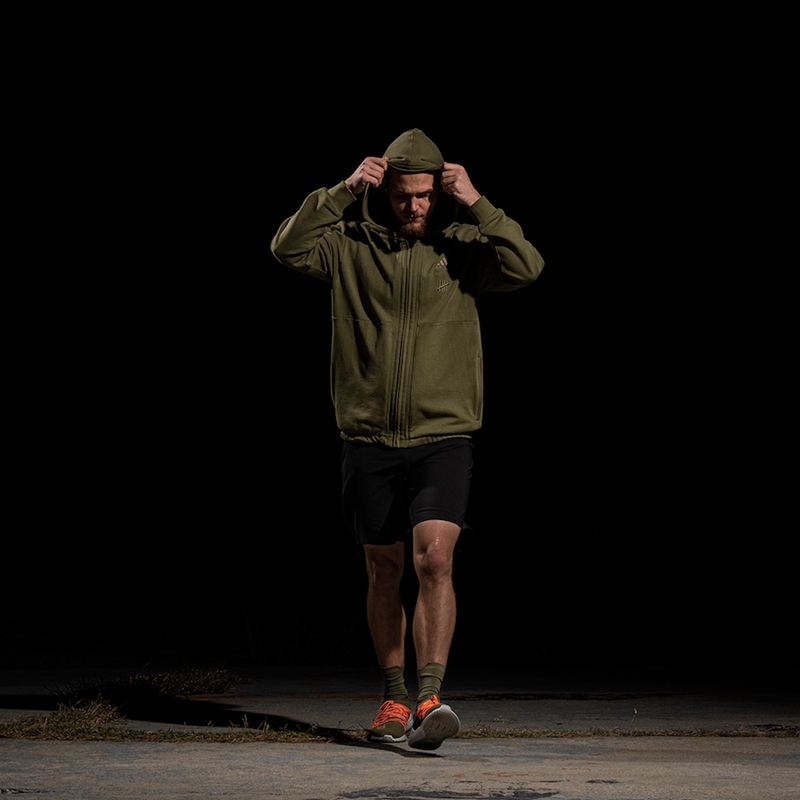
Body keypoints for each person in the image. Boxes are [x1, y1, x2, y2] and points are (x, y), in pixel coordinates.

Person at [270, 129, 544, 749]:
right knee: (384, 568)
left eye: (424, 195)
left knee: (436, 559)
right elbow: (287, 247)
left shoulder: (464, 247)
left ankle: (429, 697)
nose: (414, 206)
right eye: (402, 195)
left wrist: (476, 201)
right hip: (368, 435)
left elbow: (527, 266)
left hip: (443, 433)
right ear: (384, 190)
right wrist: (341, 192)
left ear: (438, 194)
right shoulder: (347, 246)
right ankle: (394, 698)